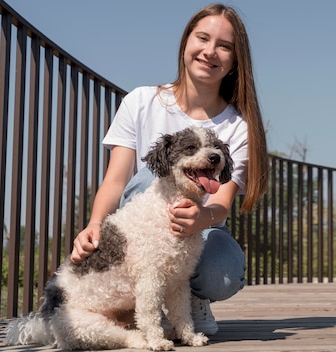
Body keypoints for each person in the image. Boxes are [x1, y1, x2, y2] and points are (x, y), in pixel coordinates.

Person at [70, 3, 268, 335]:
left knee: (223, 272)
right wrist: (93, 225)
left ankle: (189, 298)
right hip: (143, 231)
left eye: (224, 46)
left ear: (235, 61)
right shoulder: (140, 101)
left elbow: (222, 202)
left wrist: (200, 218)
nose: (210, 51)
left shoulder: (238, 125)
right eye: (202, 38)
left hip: (202, 226)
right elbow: (116, 179)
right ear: (185, 42)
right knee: (157, 171)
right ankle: (142, 301)